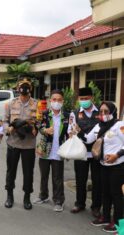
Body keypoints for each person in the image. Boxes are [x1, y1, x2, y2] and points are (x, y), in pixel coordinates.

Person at [78, 102, 124, 233]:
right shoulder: (99, 125)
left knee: (117, 195)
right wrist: (78, 132)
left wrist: (117, 155)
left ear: (113, 112)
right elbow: (87, 139)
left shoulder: (119, 125)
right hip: (103, 165)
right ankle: (106, 218)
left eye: (106, 111)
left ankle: (120, 225)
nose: (103, 114)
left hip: (118, 165)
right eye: (101, 112)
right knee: (105, 192)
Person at [3, 78, 38, 210]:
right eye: (21, 86)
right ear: (17, 88)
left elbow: (40, 121)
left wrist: (35, 129)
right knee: (11, 171)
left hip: (29, 145)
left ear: (31, 88)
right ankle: (9, 196)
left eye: (27, 86)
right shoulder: (10, 104)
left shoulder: (36, 104)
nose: (24, 88)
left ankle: (27, 197)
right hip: (13, 143)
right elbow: (5, 121)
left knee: (28, 173)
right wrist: (9, 128)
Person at [68, 87, 101, 217]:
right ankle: (79, 203)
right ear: (78, 100)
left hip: (97, 152)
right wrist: (72, 132)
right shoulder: (74, 113)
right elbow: (71, 130)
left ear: (92, 98)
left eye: (86, 98)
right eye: (82, 99)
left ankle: (96, 206)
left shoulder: (100, 112)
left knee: (97, 180)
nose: (84, 101)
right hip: (80, 152)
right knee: (80, 179)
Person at [34, 90, 69, 212]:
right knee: (44, 175)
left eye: (59, 100)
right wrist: (45, 130)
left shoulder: (67, 116)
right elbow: (38, 125)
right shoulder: (44, 114)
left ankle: (59, 201)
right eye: (54, 99)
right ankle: (43, 196)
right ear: (50, 101)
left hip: (59, 151)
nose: (56, 102)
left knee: (57, 177)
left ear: (63, 101)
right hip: (44, 150)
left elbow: (70, 132)